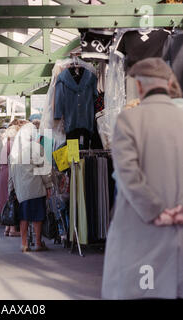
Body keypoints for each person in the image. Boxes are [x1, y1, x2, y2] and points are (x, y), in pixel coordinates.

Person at [102, 58, 183, 300]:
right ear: (170, 84)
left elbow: (128, 174)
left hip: (141, 231)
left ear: (139, 87)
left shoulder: (129, 120)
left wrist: (156, 211)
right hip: (179, 232)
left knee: (144, 288)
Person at [9, 122, 53, 252]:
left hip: (21, 191)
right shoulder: (35, 148)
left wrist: (11, 190)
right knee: (37, 217)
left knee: (24, 217)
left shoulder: (14, 151)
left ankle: (24, 244)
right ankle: (38, 243)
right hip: (35, 187)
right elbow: (44, 170)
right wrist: (49, 185)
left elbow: (11, 175)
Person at [0, 124, 21, 237]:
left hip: (3, 173)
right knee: (11, 200)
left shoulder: (6, 144)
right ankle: (12, 229)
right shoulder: (13, 145)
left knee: (7, 200)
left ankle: (7, 228)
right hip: (9, 172)